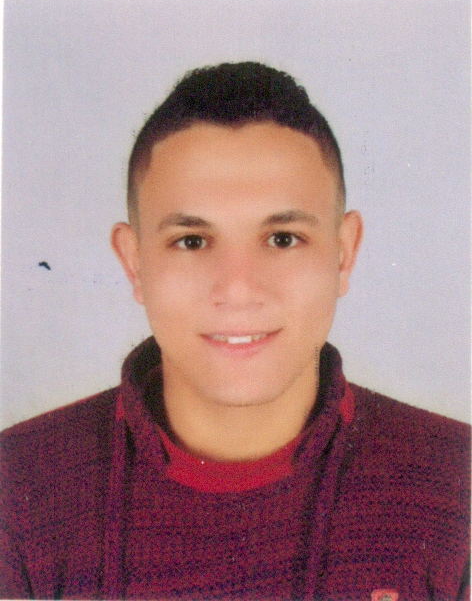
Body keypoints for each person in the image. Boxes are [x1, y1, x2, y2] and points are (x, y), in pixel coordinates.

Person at [0, 62, 469, 601]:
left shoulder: (457, 485)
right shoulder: (17, 491)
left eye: (283, 239)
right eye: (193, 242)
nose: (239, 289)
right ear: (134, 263)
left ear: (343, 254)